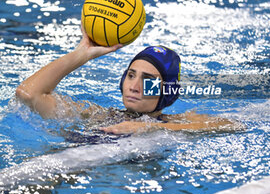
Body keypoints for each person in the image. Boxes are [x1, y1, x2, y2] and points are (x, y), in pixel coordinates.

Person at [16, 27, 245, 135]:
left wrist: (149, 127)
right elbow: (28, 94)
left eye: (149, 80)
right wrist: (82, 53)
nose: (134, 86)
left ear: (167, 91)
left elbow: (233, 125)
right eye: (131, 75)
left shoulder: (178, 121)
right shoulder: (95, 114)